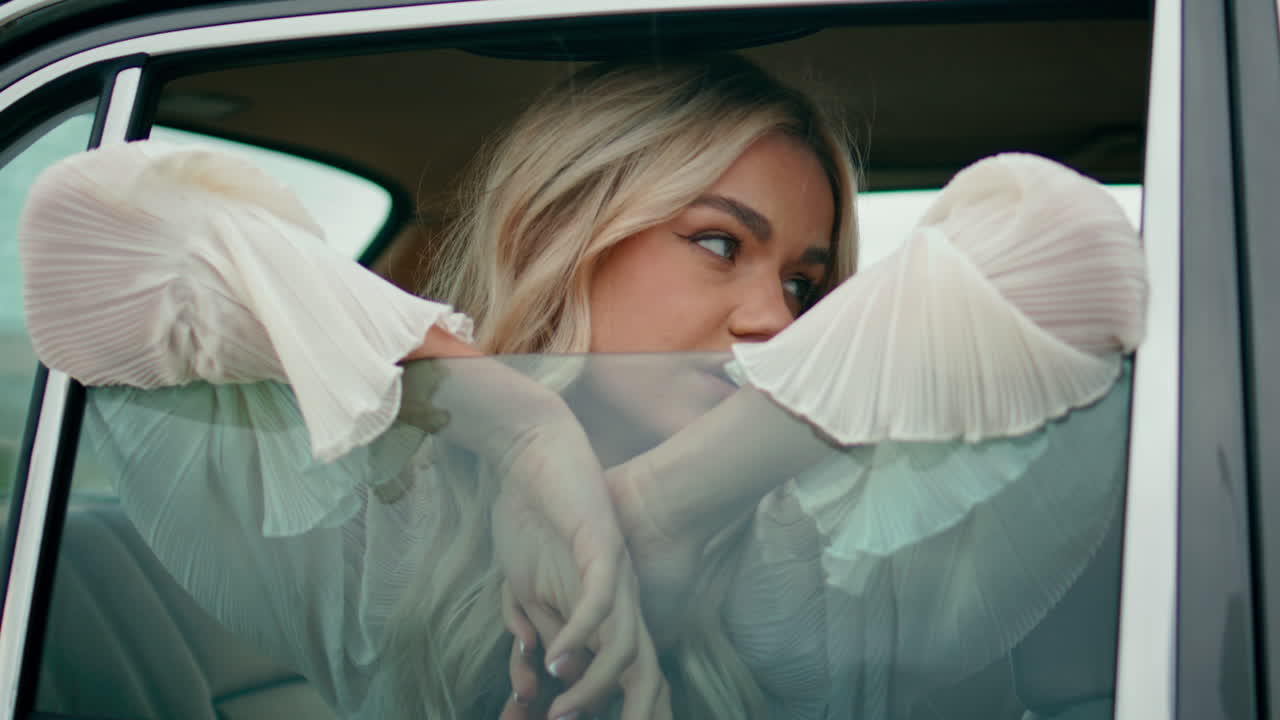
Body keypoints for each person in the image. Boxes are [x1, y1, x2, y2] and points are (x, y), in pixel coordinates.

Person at [18, 53, 1145, 720]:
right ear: (564, 235)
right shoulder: (380, 542)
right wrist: (515, 428)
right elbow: (99, 237)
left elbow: (1071, 261)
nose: (772, 318)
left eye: (807, 282)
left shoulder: (843, 560)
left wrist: (660, 508)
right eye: (717, 243)